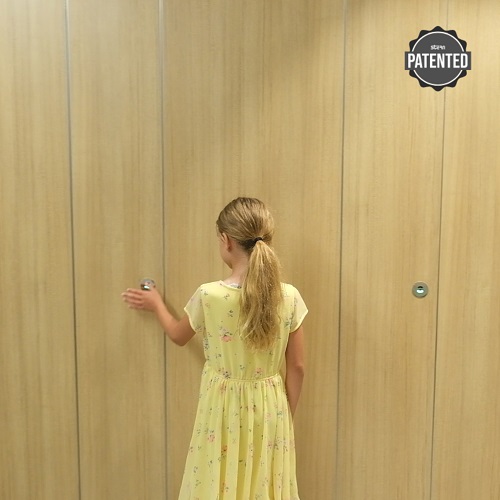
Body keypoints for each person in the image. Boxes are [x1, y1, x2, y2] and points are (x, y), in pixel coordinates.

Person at [122, 197, 307, 499]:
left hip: (222, 409)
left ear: (226, 240)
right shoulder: (289, 296)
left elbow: (178, 335)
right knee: (264, 484)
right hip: (271, 407)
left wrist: (156, 304)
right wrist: (285, 415)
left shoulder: (208, 295)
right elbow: (297, 366)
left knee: (219, 482)